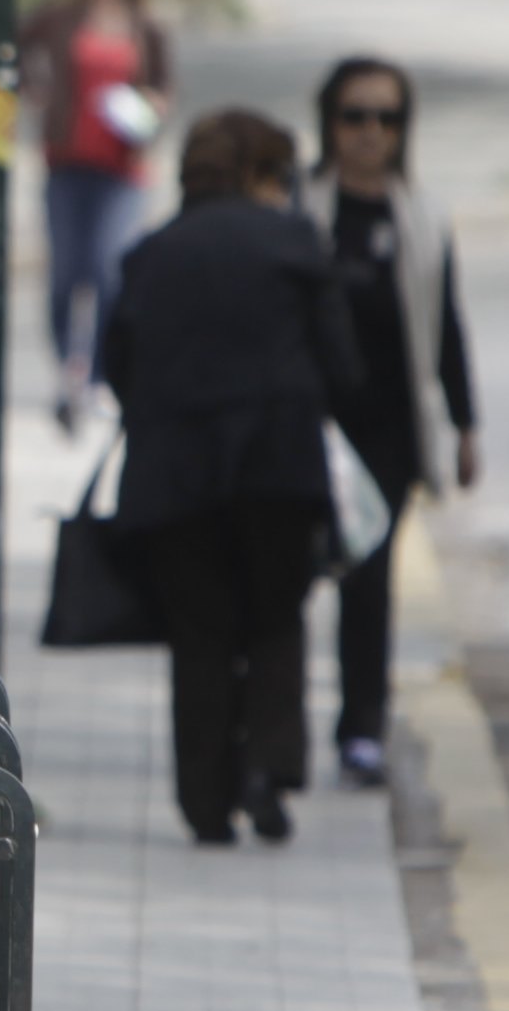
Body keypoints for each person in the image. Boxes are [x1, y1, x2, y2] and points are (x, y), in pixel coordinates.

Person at [97, 107, 362, 845]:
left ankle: (205, 801)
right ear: (255, 175)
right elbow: (342, 367)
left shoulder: (151, 253)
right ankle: (268, 769)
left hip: (173, 478)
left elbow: (116, 365)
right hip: (279, 466)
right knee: (277, 620)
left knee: (200, 636)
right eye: (278, 175)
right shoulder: (295, 244)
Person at [307, 54, 477, 788]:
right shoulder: (301, 209)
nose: (371, 132)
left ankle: (361, 729)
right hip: (308, 430)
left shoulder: (423, 219)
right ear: (330, 124)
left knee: (369, 585)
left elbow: (446, 329)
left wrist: (466, 427)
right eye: (355, 116)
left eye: (387, 118)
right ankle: (272, 733)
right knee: (287, 583)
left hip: (388, 436)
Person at [31, 0, 174, 430]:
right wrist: (34, 88)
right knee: (66, 273)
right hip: (67, 160)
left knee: (110, 269)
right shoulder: (59, 15)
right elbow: (18, 51)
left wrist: (151, 107)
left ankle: (96, 373)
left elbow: (164, 86)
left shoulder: (145, 26)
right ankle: (68, 369)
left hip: (123, 165)